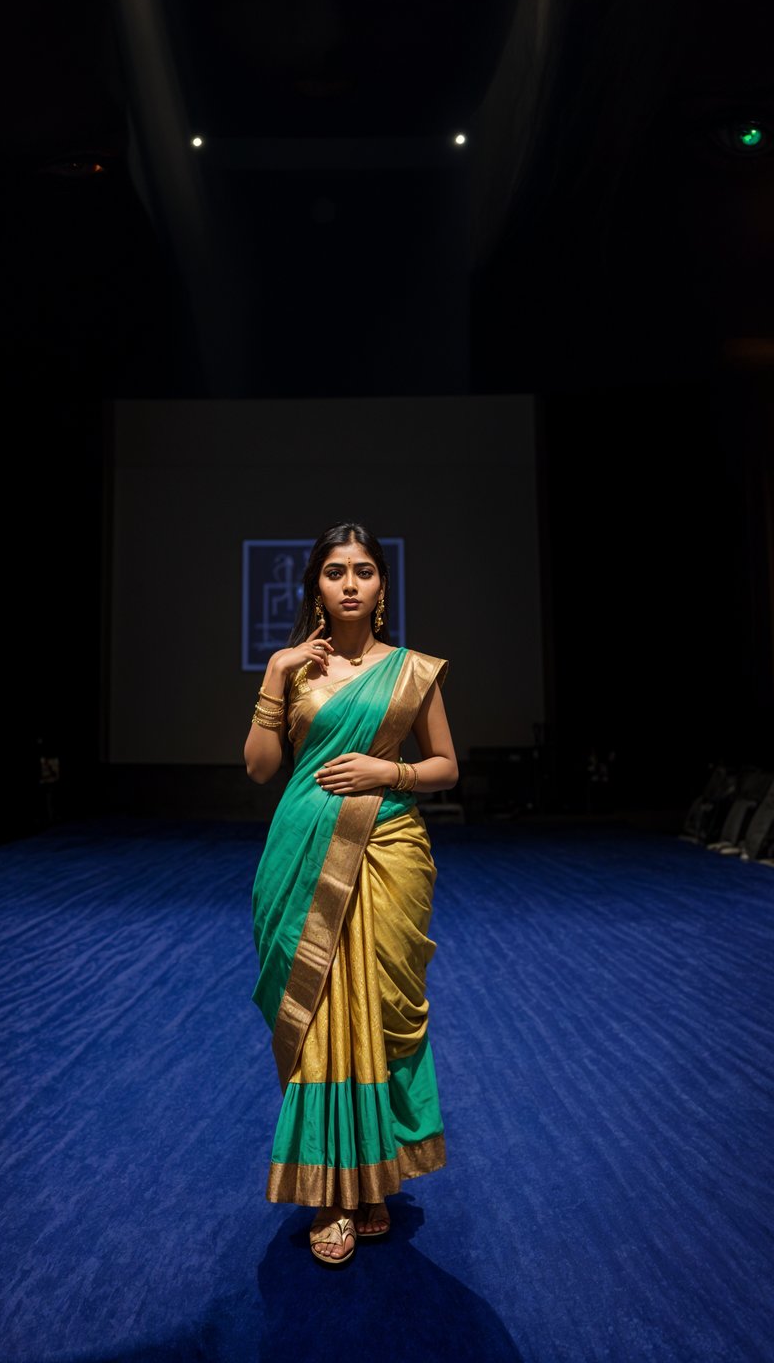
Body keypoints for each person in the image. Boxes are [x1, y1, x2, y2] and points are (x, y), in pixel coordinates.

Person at [245, 522, 459, 1266]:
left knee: (377, 1009)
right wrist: (274, 677)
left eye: (363, 570)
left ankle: (372, 1180)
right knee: (320, 1017)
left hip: (388, 849)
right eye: (334, 570)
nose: (349, 582)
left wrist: (384, 774)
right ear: (316, 587)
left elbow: (445, 767)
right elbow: (260, 768)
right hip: (300, 857)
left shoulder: (410, 671)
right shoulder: (296, 672)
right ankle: (329, 1192)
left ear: (381, 587)